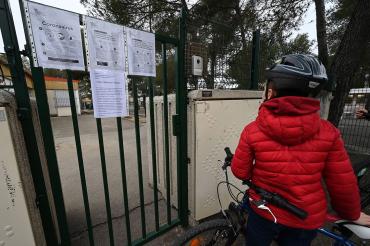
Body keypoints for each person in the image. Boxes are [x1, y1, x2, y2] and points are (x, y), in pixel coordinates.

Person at [231, 54, 370, 246]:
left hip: (263, 211)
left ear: (271, 92)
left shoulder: (252, 130)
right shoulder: (329, 133)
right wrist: (352, 214)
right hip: (305, 218)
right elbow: (342, 183)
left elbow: (240, 171)